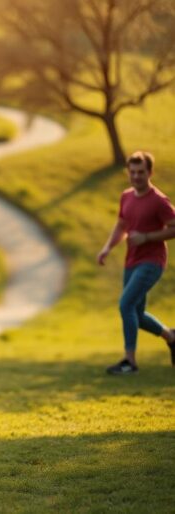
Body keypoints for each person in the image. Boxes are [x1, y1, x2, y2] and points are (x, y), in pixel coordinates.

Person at [97, 151, 175, 374]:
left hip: (152, 261)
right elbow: (121, 225)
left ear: (150, 172)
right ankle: (171, 337)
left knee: (125, 304)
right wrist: (107, 248)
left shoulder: (159, 201)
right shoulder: (126, 196)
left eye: (141, 172)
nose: (136, 176)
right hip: (132, 260)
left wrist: (147, 237)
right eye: (132, 172)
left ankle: (130, 362)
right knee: (137, 315)